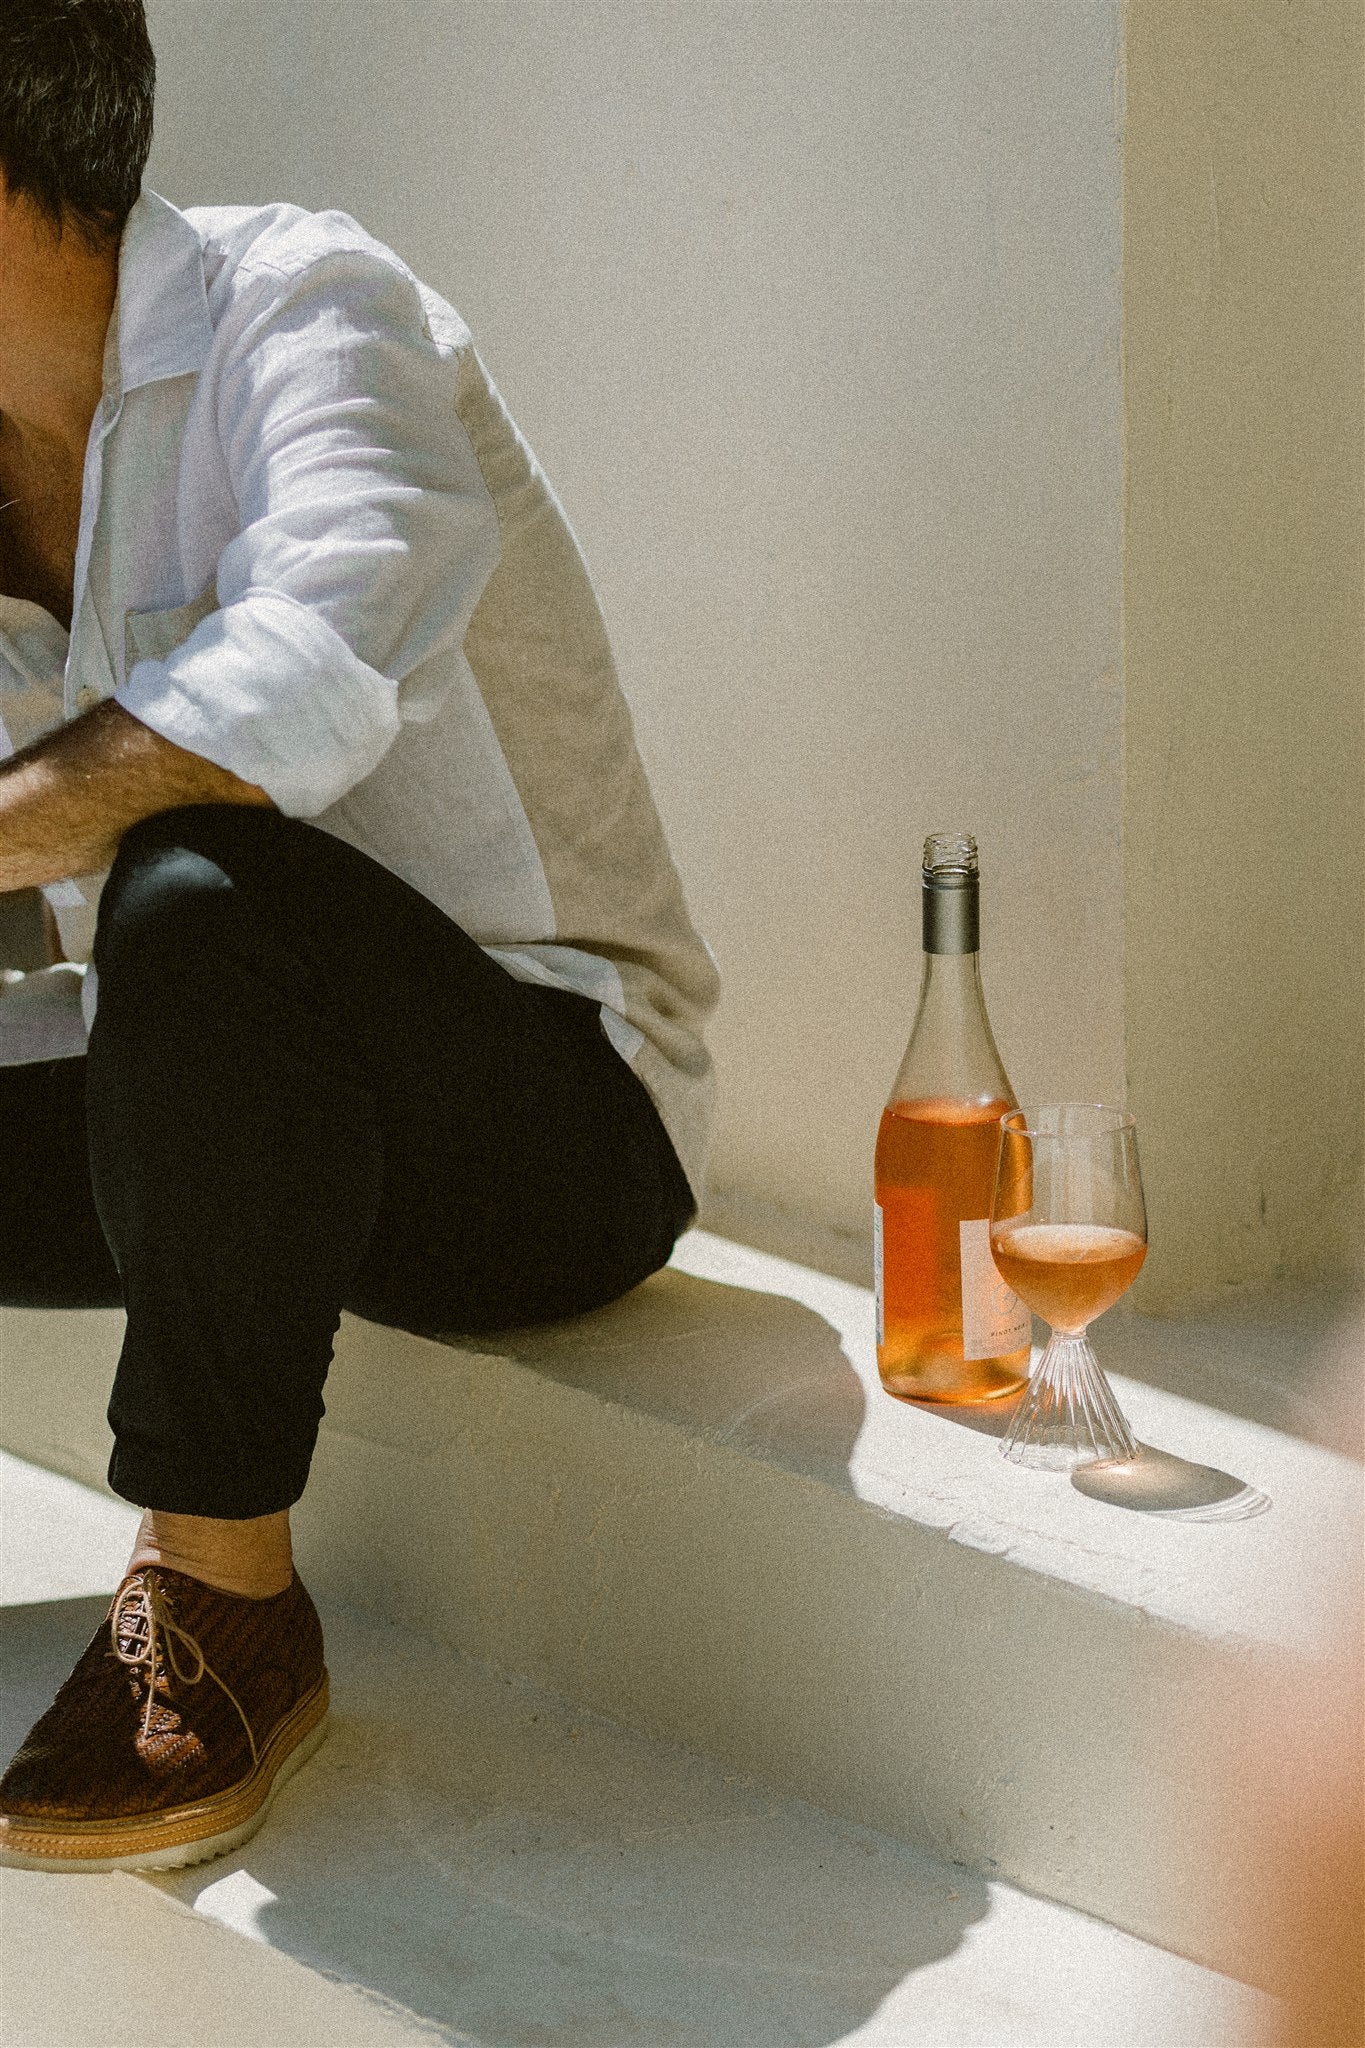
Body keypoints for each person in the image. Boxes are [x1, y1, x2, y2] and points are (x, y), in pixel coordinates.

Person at [0, 0, 717, 1873]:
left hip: (548, 1122)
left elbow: (307, 677)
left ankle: (223, 1601)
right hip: (230, 1129)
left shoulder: (298, 306)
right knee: (167, 923)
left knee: (191, 878)